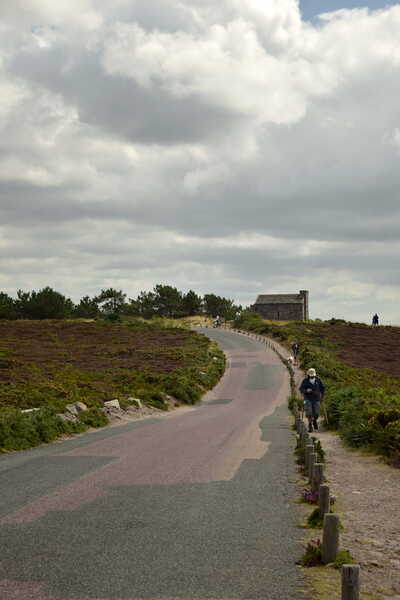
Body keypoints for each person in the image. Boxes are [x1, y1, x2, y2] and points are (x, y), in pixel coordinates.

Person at [300, 368, 325, 432]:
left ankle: (314, 421)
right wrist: (306, 390)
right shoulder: (305, 381)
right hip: (308, 398)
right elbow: (301, 389)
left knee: (316, 413)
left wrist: (322, 396)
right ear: (308, 375)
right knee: (309, 413)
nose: (312, 376)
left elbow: (322, 388)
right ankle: (310, 425)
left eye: (313, 375)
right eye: (311, 375)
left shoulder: (318, 380)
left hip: (316, 399)